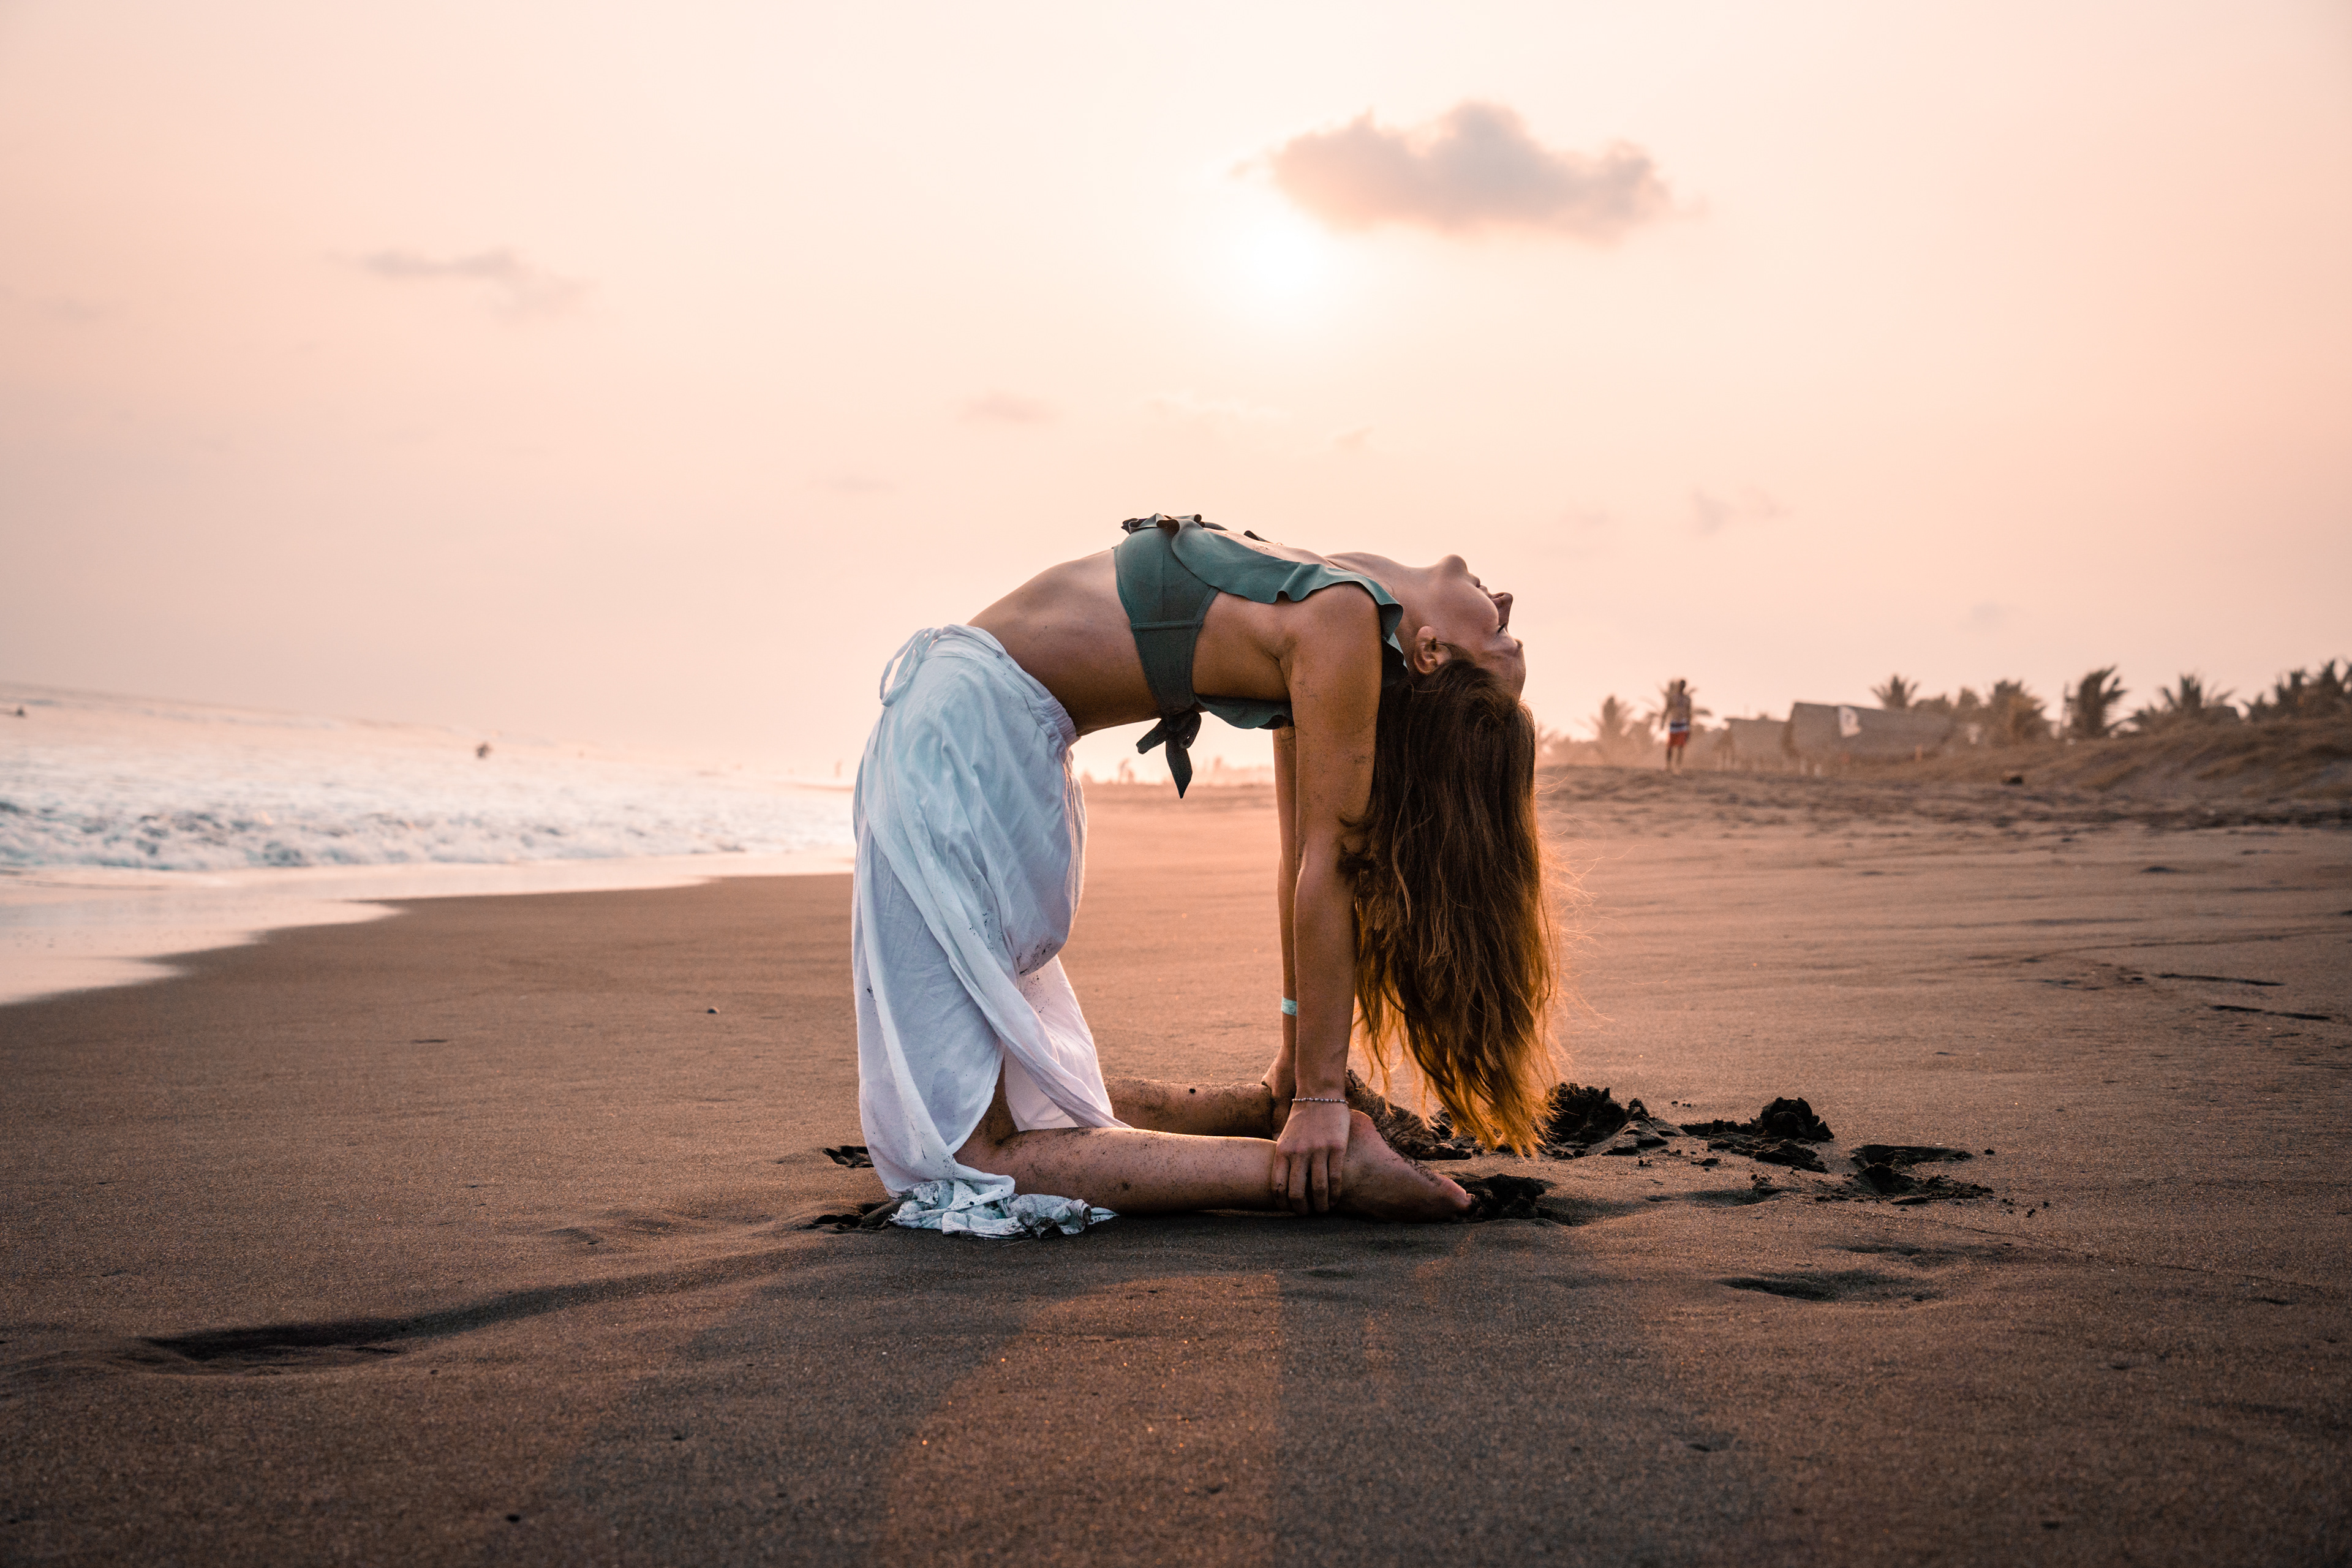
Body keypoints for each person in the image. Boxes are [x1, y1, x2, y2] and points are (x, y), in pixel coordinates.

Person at [853, 514, 1556, 1227]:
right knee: (1022, 1101)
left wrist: (1317, 1097)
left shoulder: (1342, 621)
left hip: (964, 745)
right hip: (986, 745)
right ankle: (1280, 1124)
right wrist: (1301, 1077)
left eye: (1500, 640)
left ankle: (1314, 1170)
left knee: (976, 1155)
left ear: (1431, 652)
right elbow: (1306, 858)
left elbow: (1322, 863)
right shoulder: (1341, 602)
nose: (1504, 607)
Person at [1661, 679, 1693, 773]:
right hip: (1674, 722)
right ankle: (1668, 765)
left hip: (1683, 724)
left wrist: (1689, 725)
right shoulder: (1673, 698)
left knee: (1681, 746)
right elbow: (1667, 709)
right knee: (1670, 745)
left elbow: (1689, 712)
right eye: (1681, 685)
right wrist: (1663, 721)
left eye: (1684, 685)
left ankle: (1678, 766)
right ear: (1679, 686)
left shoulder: (1687, 699)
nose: (1682, 687)